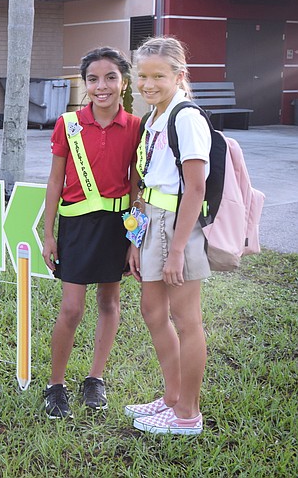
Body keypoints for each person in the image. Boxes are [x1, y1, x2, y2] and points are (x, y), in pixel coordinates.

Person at [41, 47, 141, 419]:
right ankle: (56, 385)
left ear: (123, 82)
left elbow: (137, 188)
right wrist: (48, 234)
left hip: (117, 228)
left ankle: (95, 378)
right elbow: (54, 181)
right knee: (71, 308)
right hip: (77, 226)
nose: (102, 86)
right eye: (94, 79)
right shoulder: (68, 124)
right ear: (84, 85)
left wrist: (136, 238)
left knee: (109, 303)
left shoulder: (135, 127)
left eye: (110, 77)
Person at [125, 36, 210, 436]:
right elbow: (145, 183)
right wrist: (135, 238)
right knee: (153, 311)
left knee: (186, 319)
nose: (148, 84)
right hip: (152, 219)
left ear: (179, 75)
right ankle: (172, 397)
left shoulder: (185, 117)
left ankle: (187, 415)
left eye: (158, 76)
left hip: (179, 224)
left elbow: (195, 188)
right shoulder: (153, 118)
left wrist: (177, 250)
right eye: (141, 76)